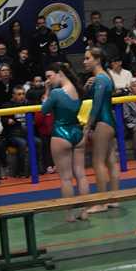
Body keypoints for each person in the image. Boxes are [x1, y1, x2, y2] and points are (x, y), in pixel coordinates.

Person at [42, 63, 89, 222]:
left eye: (49, 76)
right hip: (77, 133)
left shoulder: (56, 93)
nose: (48, 80)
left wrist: (47, 91)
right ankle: (84, 211)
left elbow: (44, 110)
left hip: (61, 134)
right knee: (81, 175)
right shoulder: (78, 89)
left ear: (59, 73)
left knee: (66, 178)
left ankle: (70, 214)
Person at [82, 47, 120, 213]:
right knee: (111, 160)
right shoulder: (104, 77)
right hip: (109, 121)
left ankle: (101, 202)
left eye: (87, 58)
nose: (84, 61)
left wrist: (87, 125)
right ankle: (115, 198)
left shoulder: (100, 78)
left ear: (97, 60)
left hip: (102, 123)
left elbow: (96, 105)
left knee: (98, 162)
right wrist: (88, 86)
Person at [2, 85, 43, 177]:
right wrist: (7, 120)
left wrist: (33, 121)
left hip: (27, 133)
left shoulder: (28, 104)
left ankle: (37, 168)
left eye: (23, 94)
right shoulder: (7, 105)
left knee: (38, 142)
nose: (22, 96)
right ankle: (21, 172)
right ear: (13, 95)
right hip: (13, 134)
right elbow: (2, 118)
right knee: (22, 143)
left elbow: (36, 114)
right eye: (19, 94)